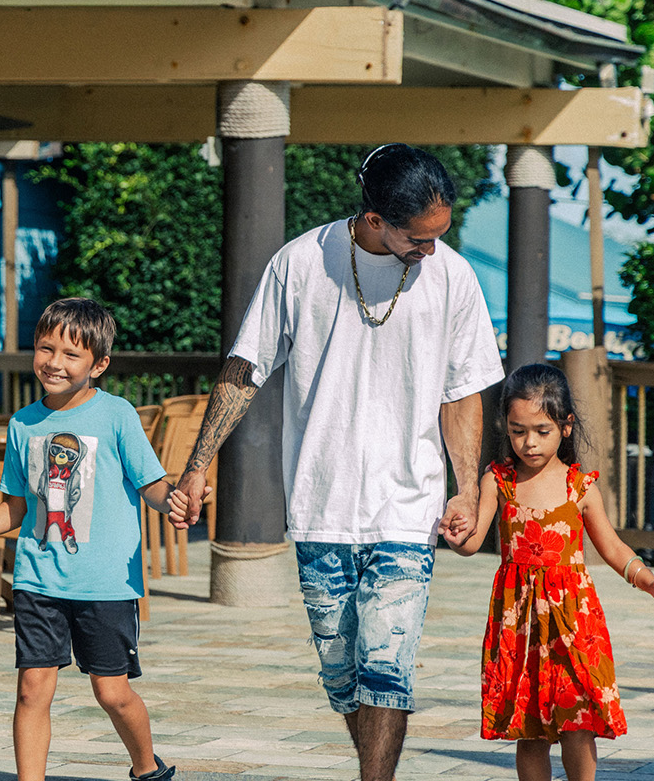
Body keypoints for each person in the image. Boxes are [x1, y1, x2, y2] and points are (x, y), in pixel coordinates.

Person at [169, 143, 504, 781]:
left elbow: (463, 390)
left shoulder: (453, 276)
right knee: (342, 671)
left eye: (441, 235)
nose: (431, 249)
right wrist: (197, 465)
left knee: (388, 665)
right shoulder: (300, 264)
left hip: (408, 503)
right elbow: (245, 369)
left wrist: (463, 491)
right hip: (321, 502)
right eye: (420, 238)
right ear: (375, 218)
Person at [0, 298, 187, 781]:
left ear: (98, 365)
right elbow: (16, 507)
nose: (54, 362)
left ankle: (148, 769)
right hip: (38, 580)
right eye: (46, 348)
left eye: (70, 354)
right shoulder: (22, 423)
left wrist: (175, 501)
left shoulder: (117, 415)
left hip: (104, 584)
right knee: (31, 690)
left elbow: (151, 485)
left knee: (112, 693)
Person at [443, 364, 654, 781]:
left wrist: (650, 582)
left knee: (578, 721)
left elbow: (613, 548)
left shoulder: (580, 486)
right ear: (507, 426)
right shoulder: (497, 480)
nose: (529, 442)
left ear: (566, 426)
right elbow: (472, 542)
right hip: (519, 627)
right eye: (518, 431)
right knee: (530, 729)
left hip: (574, 622)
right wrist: (455, 533)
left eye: (542, 430)